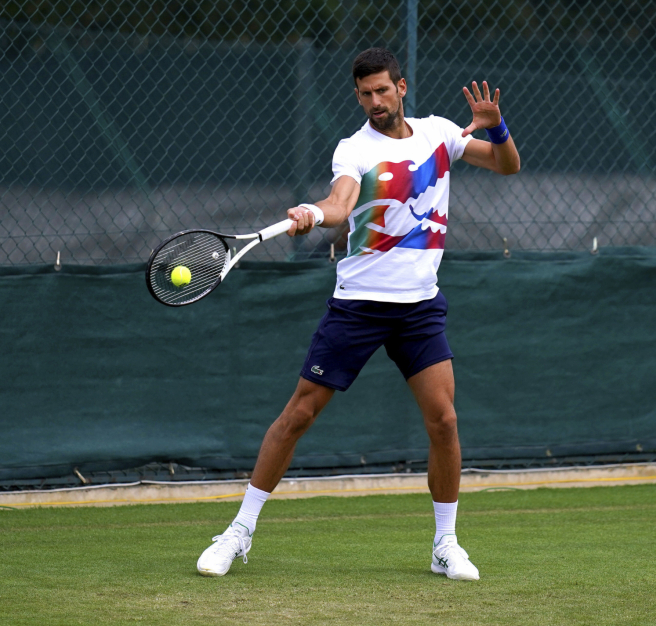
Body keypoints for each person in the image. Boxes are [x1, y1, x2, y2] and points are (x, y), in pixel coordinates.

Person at [197, 47, 520, 581]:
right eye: (365, 94)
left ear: (402, 87)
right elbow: (341, 205)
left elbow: (507, 165)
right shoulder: (354, 150)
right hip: (360, 305)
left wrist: (497, 127)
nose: (375, 101)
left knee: (444, 421)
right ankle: (238, 532)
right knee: (299, 414)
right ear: (358, 96)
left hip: (419, 307)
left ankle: (446, 545)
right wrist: (314, 212)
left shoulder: (440, 134)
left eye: (382, 91)